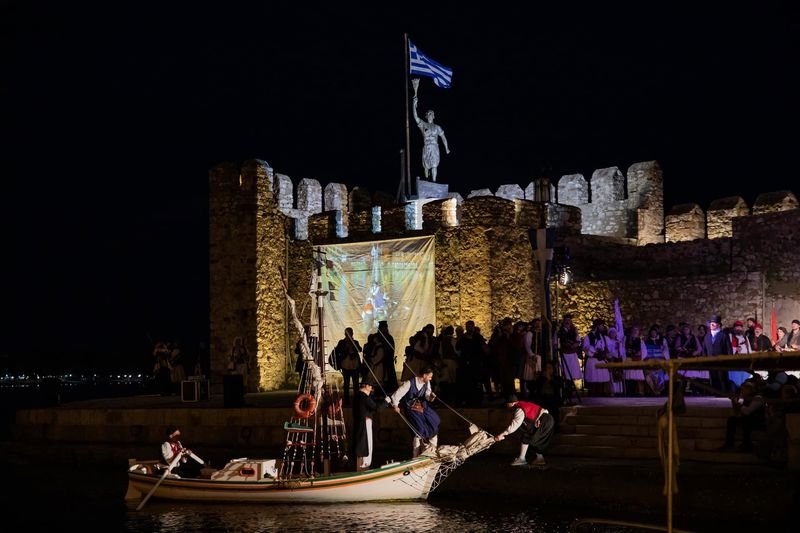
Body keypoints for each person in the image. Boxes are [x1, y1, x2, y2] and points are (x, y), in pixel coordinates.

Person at [386, 366, 440, 457]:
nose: (430, 378)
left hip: (423, 408)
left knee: (434, 422)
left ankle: (432, 451)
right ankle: (416, 455)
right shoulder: (409, 383)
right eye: (429, 376)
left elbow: (427, 397)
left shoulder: (427, 383)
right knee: (419, 430)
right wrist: (395, 405)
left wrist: (431, 396)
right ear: (424, 375)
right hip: (412, 410)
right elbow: (396, 395)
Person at [494, 395, 554, 466]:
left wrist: (502, 434)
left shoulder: (519, 409)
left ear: (512, 403)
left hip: (545, 421)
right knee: (531, 437)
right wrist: (538, 418)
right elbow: (544, 410)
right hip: (548, 419)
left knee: (527, 436)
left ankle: (522, 459)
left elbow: (515, 424)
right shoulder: (523, 404)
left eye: (507, 404)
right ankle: (539, 459)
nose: (506, 406)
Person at [412, 91, 450, 182]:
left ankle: (434, 182)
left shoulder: (437, 127)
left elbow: (443, 138)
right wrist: (414, 104)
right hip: (426, 147)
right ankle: (427, 179)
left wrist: (446, 148)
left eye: (431, 114)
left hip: (434, 147)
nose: (430, 115)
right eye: (429, 114)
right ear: (426, 116)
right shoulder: (423, 124)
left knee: (434, 165)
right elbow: (416, 117)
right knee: (426, 166)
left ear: (434, 116)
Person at [352, 382, 378, 471]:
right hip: (365, 422)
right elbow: (376, 407)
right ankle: (365, 465)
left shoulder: (357, 396)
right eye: (371, 387)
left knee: (362, 442)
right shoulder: (364, 396)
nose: (371, 389)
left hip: (360, 423)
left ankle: (362, 464)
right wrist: (386, 401)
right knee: (367, 443)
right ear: (366, 386)